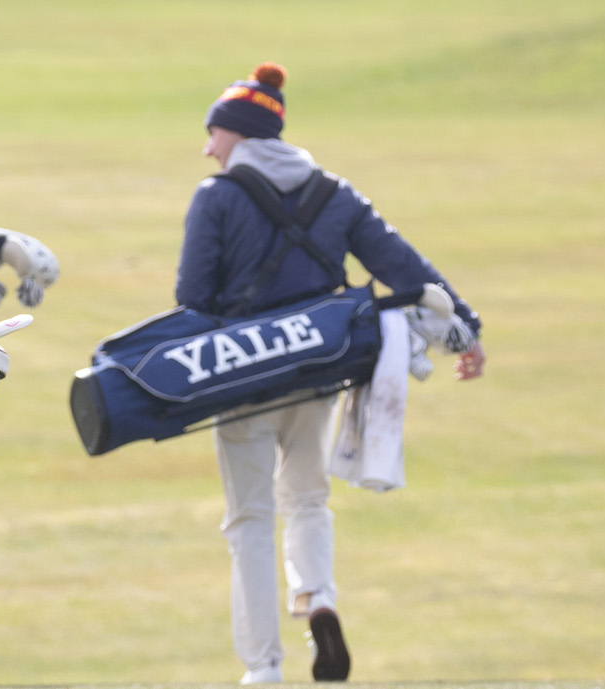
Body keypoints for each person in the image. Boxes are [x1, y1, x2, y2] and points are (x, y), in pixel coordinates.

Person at [178, 63, 487, 684]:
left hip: (243, 378)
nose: (207, 148)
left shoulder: (216, 197)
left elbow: (193, 298)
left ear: (238, 136)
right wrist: (467, 330)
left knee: (250, 519)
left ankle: (264, 666)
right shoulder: (336, 194)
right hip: (319, 372)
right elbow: (407, 269)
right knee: (308, 498)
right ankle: (318, 596)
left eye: (214, 134)